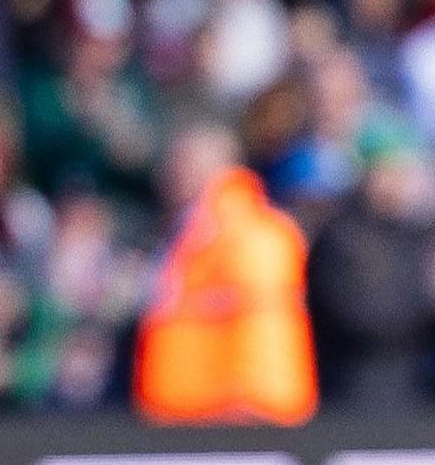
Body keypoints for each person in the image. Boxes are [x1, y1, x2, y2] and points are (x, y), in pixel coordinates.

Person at [134, 122, 317, 425]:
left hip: (241, 418)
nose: (172, 171)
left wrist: (252, 407)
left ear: (221, 165)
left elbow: (262, 328)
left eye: (186, 160)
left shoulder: (256, 232)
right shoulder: (189, 231)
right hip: (188, 414)